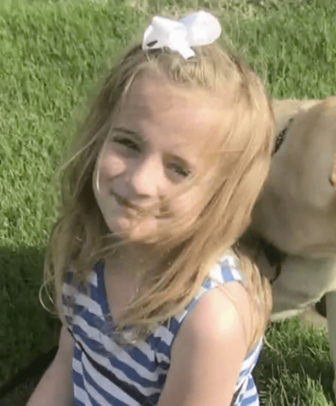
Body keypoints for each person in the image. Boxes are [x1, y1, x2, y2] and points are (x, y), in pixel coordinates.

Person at [26, 10, 274, 406]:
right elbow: (67, 363)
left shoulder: (209, 319)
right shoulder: (89, 243)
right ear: (99, 136)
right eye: (127, 143)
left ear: (221, 196)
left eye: (178, 169)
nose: (140, 182)